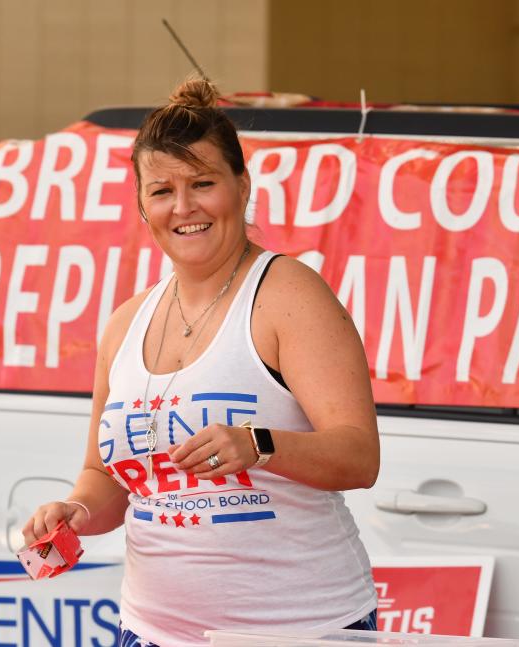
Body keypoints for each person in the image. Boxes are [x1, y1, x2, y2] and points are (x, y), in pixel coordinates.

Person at [22, 76, 380, 646]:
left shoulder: (288, 295)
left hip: (295, 631)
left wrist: (260, 445)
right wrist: (75, 511)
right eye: (161, 190)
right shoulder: (125, 323)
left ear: (241, 185)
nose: (183, 207)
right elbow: (107, 478)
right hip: (150, 630)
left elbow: (359, 457)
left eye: (203, 183)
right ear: (142, 204)